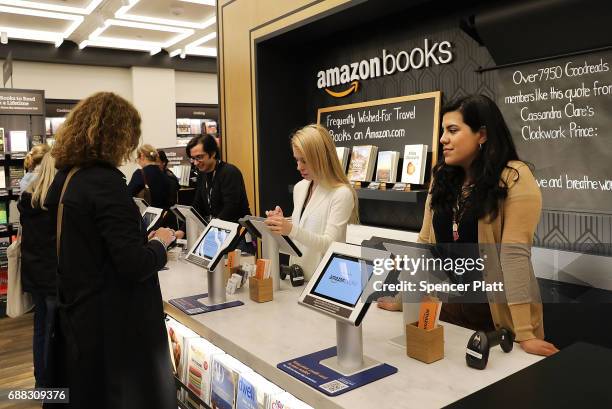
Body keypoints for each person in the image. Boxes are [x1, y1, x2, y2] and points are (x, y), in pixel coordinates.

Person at [378, 95, 558, 357]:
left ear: (481, 134)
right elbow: (425, 246)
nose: (443, 139)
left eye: (452, 130)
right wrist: (406, 299)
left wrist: (525, 333)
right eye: (443, 131)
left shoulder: (513, 178)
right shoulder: (441, 178)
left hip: (497, 318)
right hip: (447, 309)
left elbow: (514, 256)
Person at [44, 92, 176, 409]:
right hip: (114, 331)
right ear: (116, 135)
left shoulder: (66, 178)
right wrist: (160, 244)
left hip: (80, 318)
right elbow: (132, 264)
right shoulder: (104, 183)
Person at [264, 124, 358, 281]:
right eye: (297, 160)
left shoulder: (342, 194)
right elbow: (304, 229)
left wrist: (291, 228)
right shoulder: (301, 187)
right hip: (297, 275)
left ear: (321, 157)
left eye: (305, 161)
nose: (298, 167)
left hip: (326, 280)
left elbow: (329, 243)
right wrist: (281, 222)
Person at [18, 151, 57, 388]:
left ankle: (41, 383)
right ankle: (50, 387)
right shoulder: (54, 203)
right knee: (52, 332)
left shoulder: (29, 198)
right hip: (53, 276)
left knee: (41, 328)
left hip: (34, 274)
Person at [182, 133, 250, 224]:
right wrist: (183, 229)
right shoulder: (202, 174)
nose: (195, 163)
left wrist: (213, 227)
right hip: (217, 228)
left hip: (236, 229)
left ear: (213, 153)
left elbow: (231, 207)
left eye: (199, 157)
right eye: (193, 158)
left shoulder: (229, 172)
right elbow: (197, 205)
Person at [127, 144, 171, 209]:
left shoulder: (140, 174)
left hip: (147, 215)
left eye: (137, 158)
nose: (138, 161)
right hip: (163, 215)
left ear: (142, 156)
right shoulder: (164, 174)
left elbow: (127, 195)